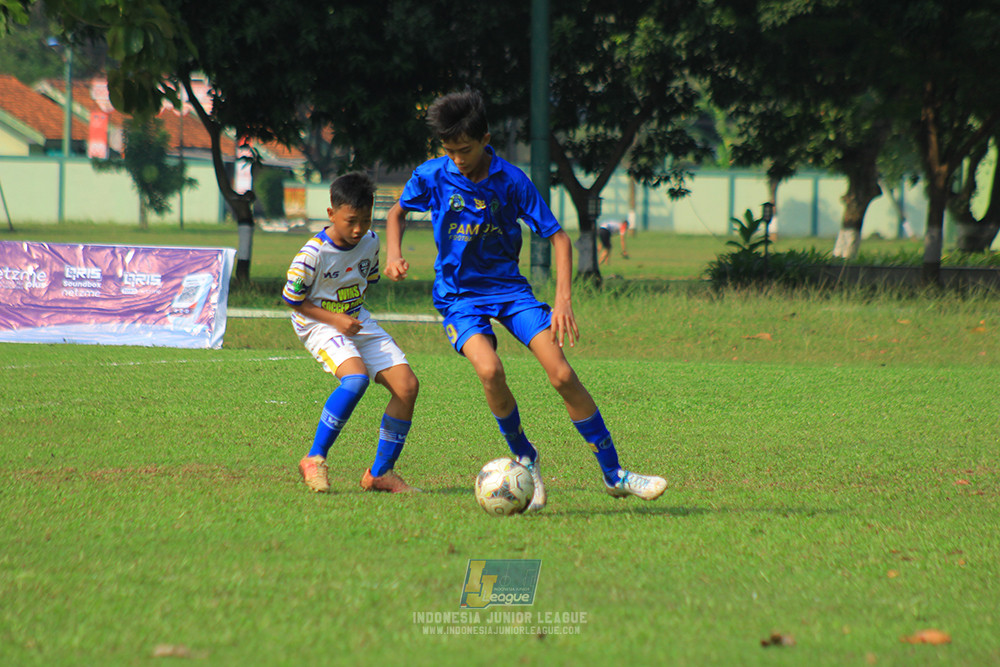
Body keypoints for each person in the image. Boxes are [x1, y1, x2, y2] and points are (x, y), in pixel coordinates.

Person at [384, 90, 665, 511]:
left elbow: (559, 237)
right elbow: (397, 212)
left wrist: (563, 299)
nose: (457, 158)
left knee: (562, 375)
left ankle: (615, 475)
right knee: (490, 370)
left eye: (465, 149)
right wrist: (394, 253)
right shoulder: (433, 175)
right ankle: (525, 456)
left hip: (511, 292)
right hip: (459, 298)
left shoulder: (512, 181)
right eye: (450, 150)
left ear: (486, 139)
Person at [284, 172, 420, 494]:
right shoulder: (312, 254)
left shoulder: (370, 241)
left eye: (365, 219)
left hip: (356, 320)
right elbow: (292, 300)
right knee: (356, 379)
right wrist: (335, 320)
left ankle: (380, 473)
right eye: (350, 221)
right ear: (331, 214)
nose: (358, 229)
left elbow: (365, 281)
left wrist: (391, 268)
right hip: (316, 322)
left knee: (407, 387)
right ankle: (314, 459)